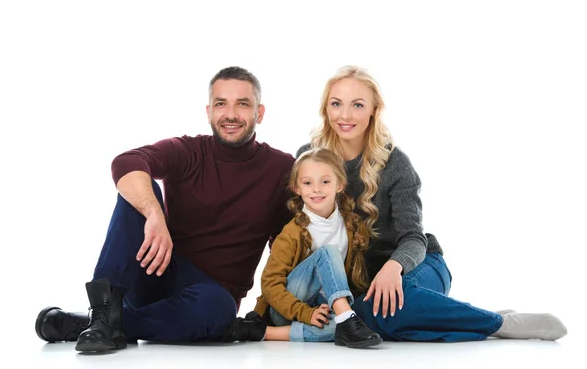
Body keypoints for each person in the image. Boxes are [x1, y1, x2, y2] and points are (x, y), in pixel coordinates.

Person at [291, 65, 567, 342]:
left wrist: (393, 266)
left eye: (358, 105)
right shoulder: (308, 159)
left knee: (389, 307)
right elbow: (297, 227)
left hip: (415, 266)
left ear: (374, 110)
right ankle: (465, 316)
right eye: (336, 104)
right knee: (363, 314)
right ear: (325, 108)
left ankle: (499, 323)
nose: (345, 115)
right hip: (363, 285)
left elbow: (414, 237)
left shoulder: (395, 163)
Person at [34, 66, 295, 352]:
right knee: (142, 192)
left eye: (242, 104)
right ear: (209, 111)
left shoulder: (281, 169)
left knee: (216, 311)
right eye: (221, 104)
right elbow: (127, 161)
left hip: (210, 296)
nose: (230, 114)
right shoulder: (187, 151)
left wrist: (285, 305)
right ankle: (105, 311)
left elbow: (285, 244)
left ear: (259, 113)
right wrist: (155, 214)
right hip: (156, 269)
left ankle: (105, 325)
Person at [223, 148, 382, 348]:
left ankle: (266, 332)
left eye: (325, 181)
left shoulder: (353, 225)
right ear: (297, 188)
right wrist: (305, 313)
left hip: (326, 309)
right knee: (328, 252)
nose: (316, 189)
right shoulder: (292, 232)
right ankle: (345, 317)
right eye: (308, 183)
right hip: (290, 308)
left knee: (351, 325)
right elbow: (270, 284)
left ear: (339, 184)